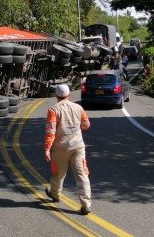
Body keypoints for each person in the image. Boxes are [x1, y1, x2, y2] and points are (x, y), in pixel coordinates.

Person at [44, 84, 92, 215]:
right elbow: (86, 125)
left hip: (61, 148)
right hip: (78, 147)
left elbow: (50, 132)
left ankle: (55, 195)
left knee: (58, 174)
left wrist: (47, 149)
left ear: (56, 96)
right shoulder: (78, 107)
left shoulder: (53, 110)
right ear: (69, 95)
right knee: (82, 175)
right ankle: (86, 204)